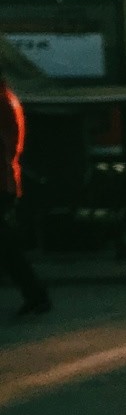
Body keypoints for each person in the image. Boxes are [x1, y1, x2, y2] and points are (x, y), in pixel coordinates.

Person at [0, 71, 50, 317]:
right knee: (7, 246)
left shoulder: (2, 102)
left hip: (1, 181)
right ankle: (35, 294)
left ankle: (36, 294)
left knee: (8, 248)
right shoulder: (9, 100)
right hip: (6, 182)